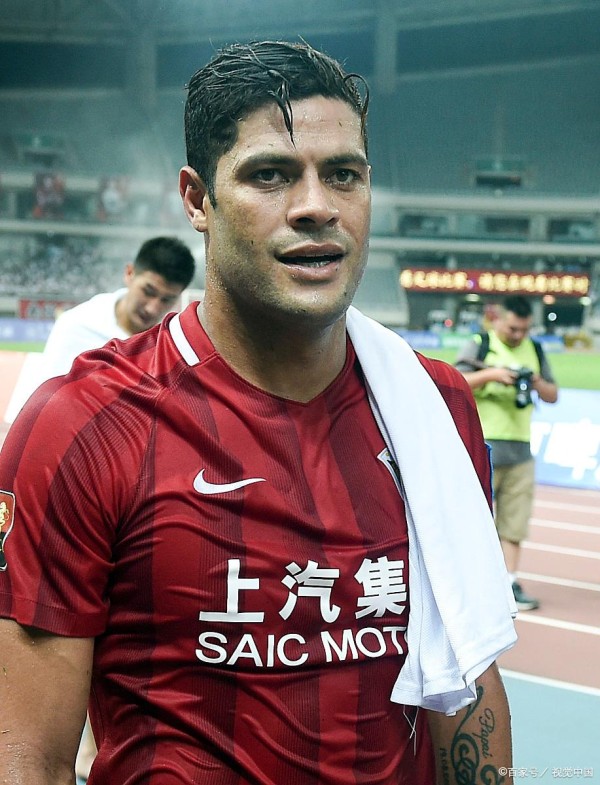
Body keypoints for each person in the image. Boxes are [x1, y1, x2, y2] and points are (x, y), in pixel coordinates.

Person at [0, 41, 517, 785]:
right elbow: (27, 758)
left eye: (344, 175)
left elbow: (466, 669)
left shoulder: (435, 407)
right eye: (270, 174)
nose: (316, 206)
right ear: (196, 199)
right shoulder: (82, 425)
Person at [4, 235, 197, 423]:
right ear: (129, 273)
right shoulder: (77, 325)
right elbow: (43, 404)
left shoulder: (173, 343)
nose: (152, 308)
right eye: (148, 291)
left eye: (167, 300)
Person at [455, 295, 559, 611]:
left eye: (524, 330)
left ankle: (509, 582)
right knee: (472, 520)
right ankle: (467, 583)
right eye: (513, 329)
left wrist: (534, 380)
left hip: (520, 450)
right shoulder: (480, 345)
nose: (518, 335)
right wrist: (492, 374)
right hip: (480, 448)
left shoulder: (535, 349)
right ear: (497, 319)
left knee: (514, 523)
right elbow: (455, 381)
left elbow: (553, 395)